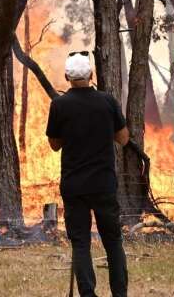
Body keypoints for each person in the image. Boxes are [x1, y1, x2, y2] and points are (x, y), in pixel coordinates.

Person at [46, 51, 130, 297]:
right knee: (113, 241)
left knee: (80, 242)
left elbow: (54, 144)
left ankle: (88, 294)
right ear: (92, 75)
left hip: (74, 186)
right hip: (104, 183)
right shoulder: (108, 101)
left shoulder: (59, 105)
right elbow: (123, 138)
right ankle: (120, 294)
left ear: (67, 77)